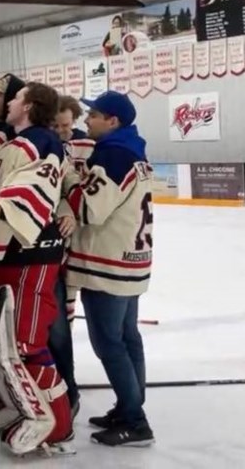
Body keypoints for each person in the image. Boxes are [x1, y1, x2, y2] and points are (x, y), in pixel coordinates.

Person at [0, 82, 73, 456]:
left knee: (23, 342)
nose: (9, 101)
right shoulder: (19, 140)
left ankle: (54, 421)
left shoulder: (40, 142)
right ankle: (17, 402)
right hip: (5, 253)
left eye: (16, 97)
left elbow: (34, 187)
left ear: (29, 106)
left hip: (29, 253)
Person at [64, 91, 154, 447]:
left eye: (94, 115)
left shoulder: (113, 155)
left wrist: (69, 180)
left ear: (112, 121)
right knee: (129, 337)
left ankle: (135, 420)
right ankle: (130, 406)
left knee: (109, 343)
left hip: (109, 265)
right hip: (133, 259)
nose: (87, 121)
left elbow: (89, 211)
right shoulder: (134, 150)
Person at [49, 95, 96, 415]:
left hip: (76, 247)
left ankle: (69, 387)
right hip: (52, 246)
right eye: (56, 125)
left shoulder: (87, 146)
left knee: (63, 319)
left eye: (67, 125)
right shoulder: (43, 144)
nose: (63, 131)